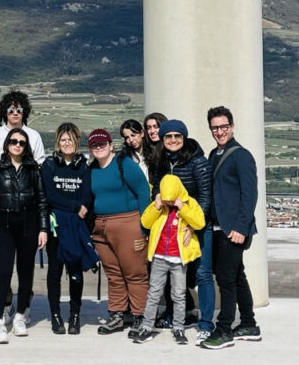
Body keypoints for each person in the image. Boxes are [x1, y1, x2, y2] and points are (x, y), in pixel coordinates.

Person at [0, 127, 49, 344]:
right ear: (7, 144)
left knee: (26, 272)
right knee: (3, 272)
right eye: (13, 141)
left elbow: (41, 201)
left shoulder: (33, 170)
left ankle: (20, 316)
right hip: (2, 225)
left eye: (21, 142)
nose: (17, 145)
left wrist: (44, 229)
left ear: (26, 146)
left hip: (29, 225)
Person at [202, 106, 261, 350]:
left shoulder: (241, 155)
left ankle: (224, 328)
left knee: (225, 278)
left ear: (232, 126)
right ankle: (248, 323)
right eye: (215, 127)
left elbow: (250, 194)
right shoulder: (213, 154)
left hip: (234, 229)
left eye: (223, 126)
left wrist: (240, 227)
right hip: (217, 228)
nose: (219, 131)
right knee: (237, 275)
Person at [150, 118, 212, 341]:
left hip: (195, 225)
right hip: (171, 228)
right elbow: (156, 189)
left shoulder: (199, 162)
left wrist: (194, 226)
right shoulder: (160, 161)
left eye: (178, 136)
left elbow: (205, 197)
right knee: (177, 276)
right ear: (163, 139)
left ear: (184, 138)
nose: (173, 140)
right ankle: (180, 315)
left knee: (203, 274)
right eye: (169, 136)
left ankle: (205, 323)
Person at [87, 128, 150, 335]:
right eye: (94, 145)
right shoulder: (91, 169)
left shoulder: (125, 164)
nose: (99, 148)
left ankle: (140, 316)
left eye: (102, 144)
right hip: (101, 227)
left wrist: (144, 225)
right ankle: (117, 314)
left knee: (135, 273)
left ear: (111, 145)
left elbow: (142, 191)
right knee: (113, 274)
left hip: (128, 223)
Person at [133, 174, 205, 345]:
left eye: (171, 200)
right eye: (167, 200)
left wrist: (183, 208)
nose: (169, 203)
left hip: (178, 259)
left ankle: (178, 328)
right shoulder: (159, 205)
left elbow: (199, 223)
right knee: (154, 293)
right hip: (159, 257)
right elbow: (146, 222)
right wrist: (157, 207)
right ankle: (146, 326)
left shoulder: (189, 203)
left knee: (179, 294)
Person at [41, 122, 95, 335]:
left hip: (76, 228)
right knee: (54, 273)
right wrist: (74, 206)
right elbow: (51, 196)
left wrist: (79, 207)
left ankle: (75, 314)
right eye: (63, 140)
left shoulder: (83, 166)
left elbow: (87, 196)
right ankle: (55, 316)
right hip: (56, 228)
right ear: (58, 142)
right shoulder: (49, 165)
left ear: (76, 142)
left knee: (75, 272)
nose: (66, 143)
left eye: (70, 139)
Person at [0, 90, 46, 164]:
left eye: (19, 110)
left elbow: (40, 161)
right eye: (11, 110)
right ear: (5, 112)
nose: (15, 113)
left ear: (24, 112)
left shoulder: (34, 135)